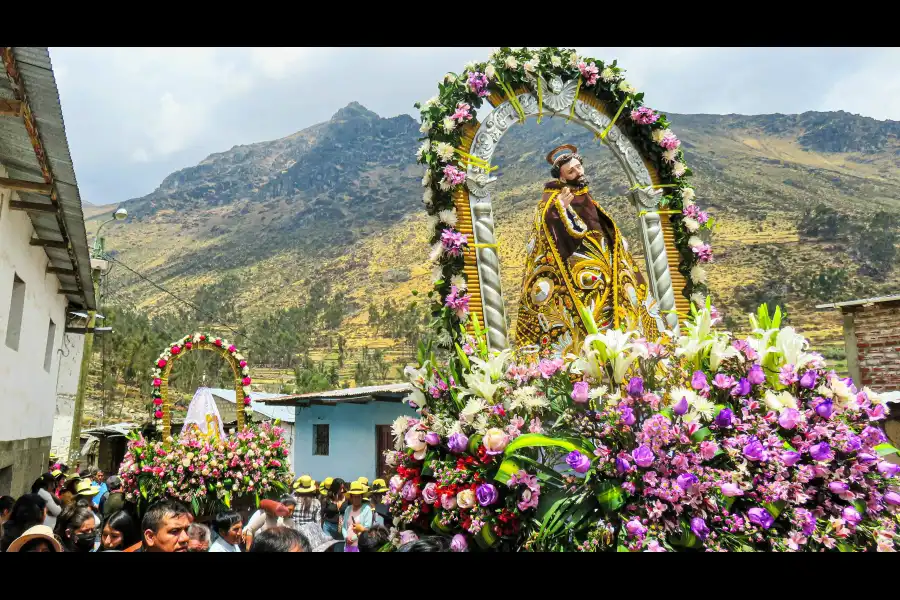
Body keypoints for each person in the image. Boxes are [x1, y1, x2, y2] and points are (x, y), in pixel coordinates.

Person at [515, 144, 667, 357]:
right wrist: (561, 209)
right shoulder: (555, 197)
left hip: (607, 268)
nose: (579, 172)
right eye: (572, 171)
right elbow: (549, 224)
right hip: (580, 274)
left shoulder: (584, 195)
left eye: (579, 167)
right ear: (563, 178)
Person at [340, 481, 373, 548]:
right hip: (348, 546)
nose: (356, 499)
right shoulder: (348, 509)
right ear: (351, 497)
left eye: (358, 497)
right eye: (354, 497)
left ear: (362, 496)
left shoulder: (367, 509)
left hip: (360, 546)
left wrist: (353, 538)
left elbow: (367, 528)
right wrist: (346, 537)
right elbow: (344, 527)